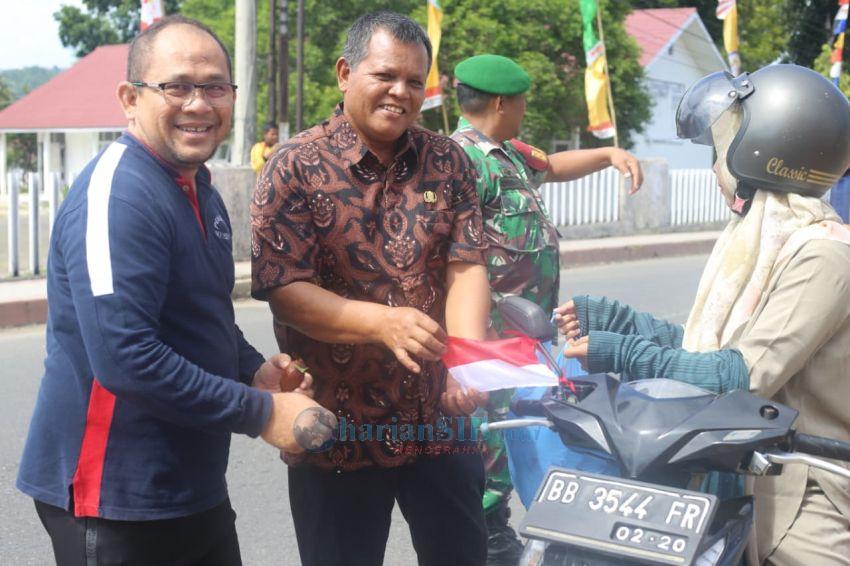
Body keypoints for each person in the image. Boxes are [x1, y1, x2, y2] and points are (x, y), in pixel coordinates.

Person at [16, 15, 333, 566]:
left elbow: (203, 314)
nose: (199, 104)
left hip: (192, 487)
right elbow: (125, 359)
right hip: (114, 499)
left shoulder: (197, 186)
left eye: (215, 87)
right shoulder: (119, 196)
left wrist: (251, 371)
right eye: (177, 86)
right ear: (130, 98)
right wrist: (262, 412)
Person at [556, 64, 850, 565]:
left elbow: (742, 375)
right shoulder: (767, 241)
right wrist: (620, 322)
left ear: (762, 151)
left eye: (720, 152)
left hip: (805, 494)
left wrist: (623, 352)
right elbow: (711, 346)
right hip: (749, 471)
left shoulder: (823, 255)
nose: (715, 169)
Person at [251, 11, 491, 566]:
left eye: (414, 81)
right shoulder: (294, 166)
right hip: (337, 428)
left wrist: (468, 361)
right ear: (345, 73)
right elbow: (285, 289)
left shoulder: (448, 160)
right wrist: (383, 324)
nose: (400, 92)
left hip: (440, 419)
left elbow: (466, 265)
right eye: (385, 75)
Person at [449, 53, 644, 565]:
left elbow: (553, 166)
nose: (524, 109)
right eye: (521, 101)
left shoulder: (509, 154)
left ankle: (495, 526)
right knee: (492, 429)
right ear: (500, 103)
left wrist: (609, 154)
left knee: (521, 422)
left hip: (525, 331)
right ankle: (486, 533)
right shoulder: (462, 160)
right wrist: (472, 343)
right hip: (490, 331)